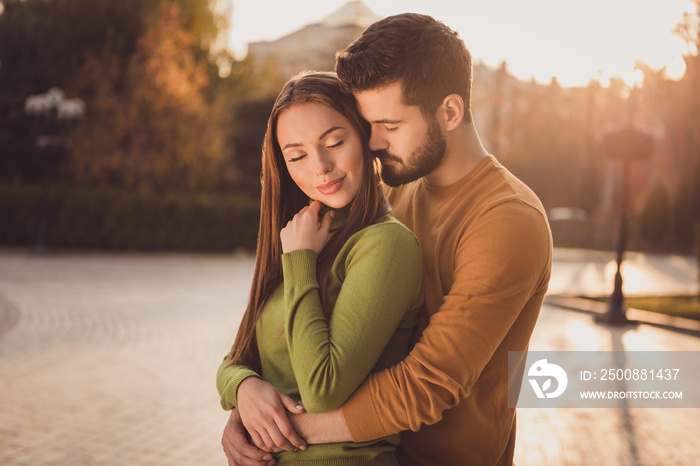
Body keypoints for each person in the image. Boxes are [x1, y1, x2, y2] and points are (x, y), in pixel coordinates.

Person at [222, 13, 553, 466]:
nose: (372, 141)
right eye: (367, 123)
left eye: (389, 126)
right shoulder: (394, 189)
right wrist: (247, 399)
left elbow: (426, 384)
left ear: (450, 112)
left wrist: (276, 429)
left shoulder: (508, 219)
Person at [216, 71, 424, 465]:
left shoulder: (385, 244)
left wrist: (298, 263)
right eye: (297, 155)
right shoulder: (303, 234)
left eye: (334, 142)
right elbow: (236, 358)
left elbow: (322, 389)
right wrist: (243, 390)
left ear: (365, 137)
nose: (321, 166)